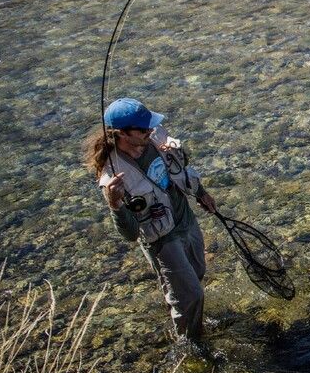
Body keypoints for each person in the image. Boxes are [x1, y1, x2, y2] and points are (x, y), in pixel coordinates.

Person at [85, 97, 216, 342]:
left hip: (186, 221)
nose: (149, 130)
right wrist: (114, 204)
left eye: (150, 126)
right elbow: (130, 234)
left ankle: (179, 305)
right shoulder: (113, 178)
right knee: (191, 296)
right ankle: (191, 345)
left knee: (197, 273)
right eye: (143, 128)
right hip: (163, 240)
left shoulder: (155, 138)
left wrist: (201, 193)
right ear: (122, 134)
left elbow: (180, 167)